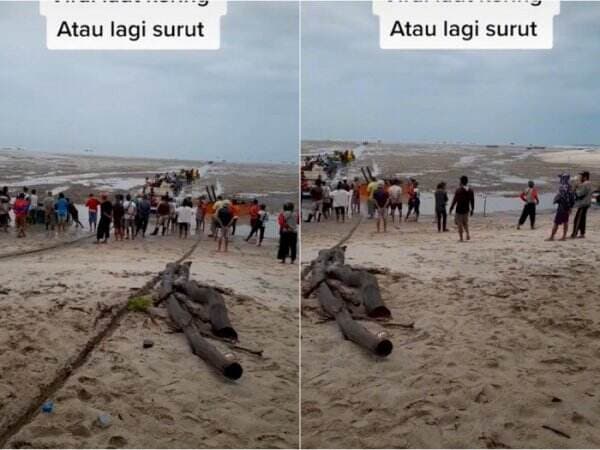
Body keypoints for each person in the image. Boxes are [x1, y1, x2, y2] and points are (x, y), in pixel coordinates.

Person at [547, 174, 576, 241]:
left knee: (556, 222)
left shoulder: (562, 187)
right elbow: (572, 198)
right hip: (567, 208)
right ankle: (564, 237)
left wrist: (555, 200)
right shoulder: (570, 187)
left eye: (561, 178)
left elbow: (560, 197)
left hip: (561, 207)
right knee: (565, 222)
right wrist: (571, 207)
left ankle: (552, 237)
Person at [449, 176, 475, 242]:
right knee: (465, 223)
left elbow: (455, 200)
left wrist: (451, 208)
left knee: (459, 223)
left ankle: (461, 238)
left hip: (459, 209)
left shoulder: (459, 190)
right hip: (466, 209)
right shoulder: (470, 190)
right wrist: (472, 209)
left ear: (461, 182)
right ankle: (468, 234)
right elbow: (472, 200)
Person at [571, 171, 593, 239]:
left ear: (585, 177)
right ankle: (582, 234)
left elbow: (579, 194)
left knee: (578, 219)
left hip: (583, 204)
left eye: (581, 177)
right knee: (582, 219)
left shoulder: (585, 184)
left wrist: (575, 188)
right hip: (586, 203)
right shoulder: (588, 183)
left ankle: (574, 234)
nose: (580, 178)